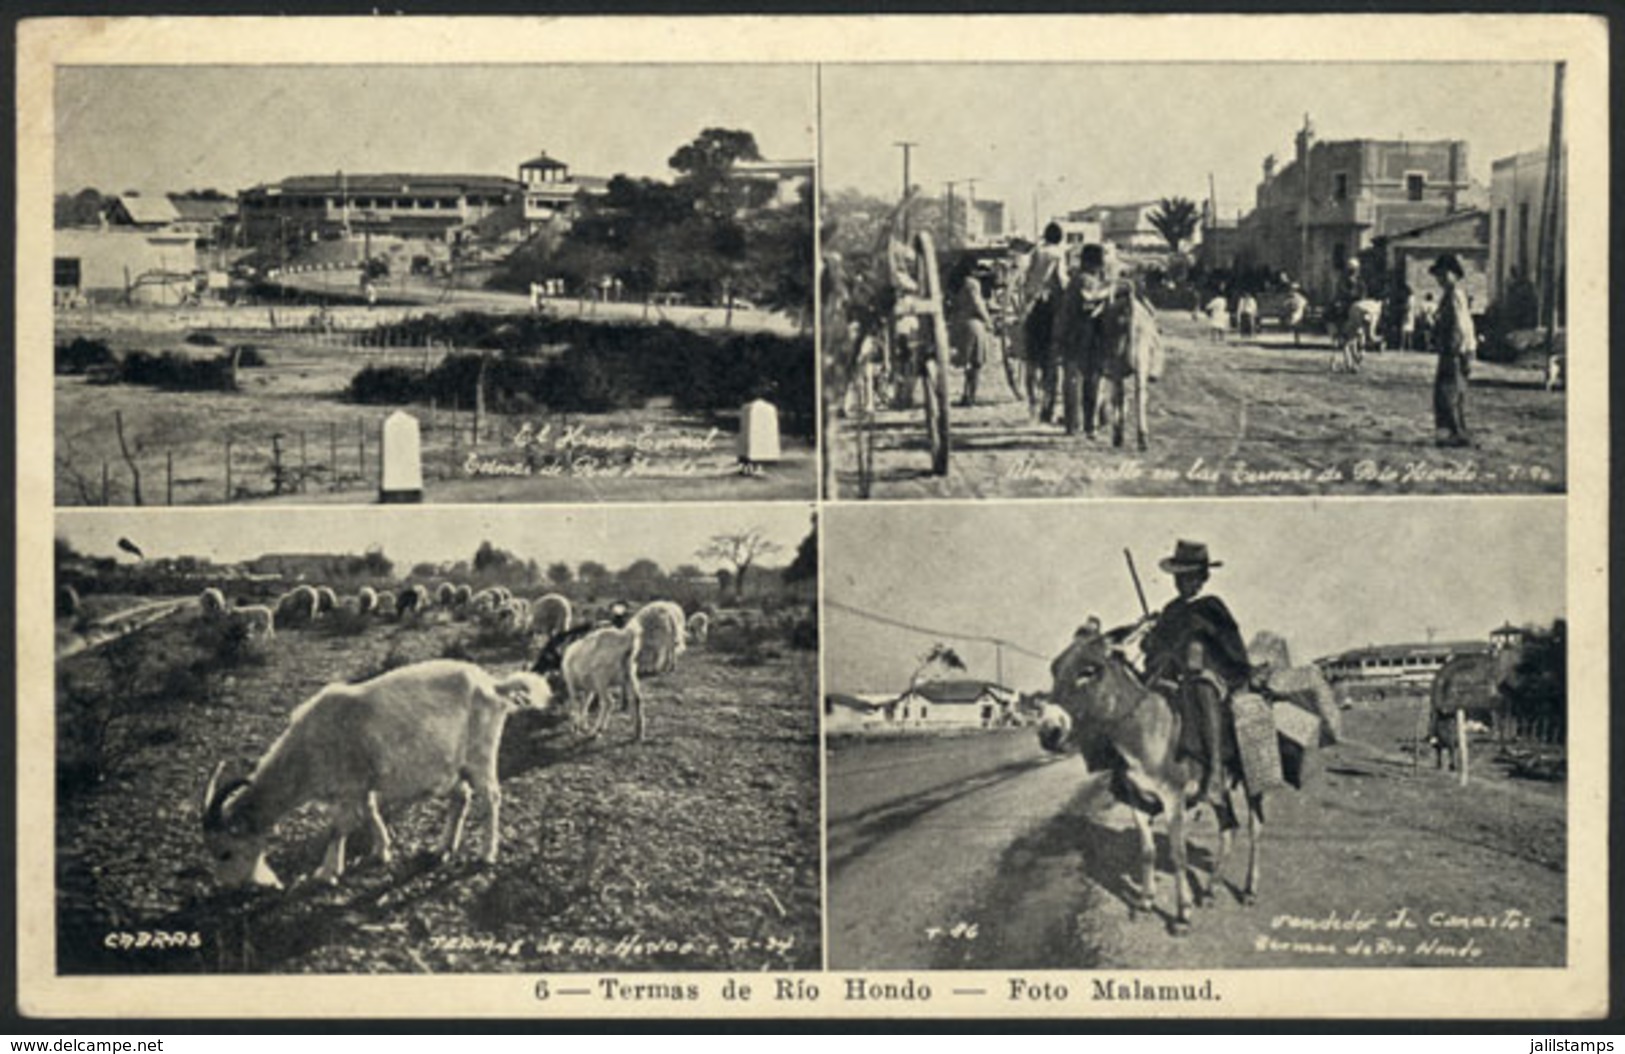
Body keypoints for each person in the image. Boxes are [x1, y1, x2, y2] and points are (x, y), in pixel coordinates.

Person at [1140, 540, 1252, 805]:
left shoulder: (1211, 606)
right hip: (1173, 675)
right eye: (1179, 578)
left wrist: (1205, 650)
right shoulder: (1171, 610)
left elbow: (1230, 644)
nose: (1183, 583)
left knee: (1202, 690)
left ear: (1201, 578)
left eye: (1189, 577)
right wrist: (1150, 639)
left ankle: (1213, 772)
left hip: (1210, 674)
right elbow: (1158, 646)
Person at [1052, 242, 1114, 436]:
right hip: (1097, 338)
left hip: (1075, 337)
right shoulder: (1103, 283)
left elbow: (1065, 313)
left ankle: (1072, 424)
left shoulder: (1076, 281)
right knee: (1094, 381)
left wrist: (1058, 338)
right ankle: (1091, 424)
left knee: (1072, 381)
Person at [1021, 222, 1069, 422]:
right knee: (1052, 361)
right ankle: (1047, 407)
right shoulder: (1058, 254)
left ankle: (1032, 402)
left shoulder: (1037, 252)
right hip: (1050, 310)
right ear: (1060, 238)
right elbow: (1061, 279)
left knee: (1031, 361)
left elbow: (1028, 277)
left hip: (1032, 307)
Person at [1429, 252, 1476, 447]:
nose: (1440, 279)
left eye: (1443, 274)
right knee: (1446, 391)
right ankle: (1450, 432)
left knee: (1450, 392)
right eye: (1438, 275)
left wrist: (1459, 350)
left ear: (1454, 274)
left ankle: (1456, 433)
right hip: (1452, 348)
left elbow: (1461, 324)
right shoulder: (1449, 295)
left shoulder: (1456, 295)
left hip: (1455, 349)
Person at [950, 261, 996, 408]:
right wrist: (988, 320)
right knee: (975, 363)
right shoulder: (971, 284)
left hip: (958, 321)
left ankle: (966, 395)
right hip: (973, 324)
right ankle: (971, 396)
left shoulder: (955, 283)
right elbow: (977, 303)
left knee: (967, 363)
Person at [1284, 283, 1309, 348]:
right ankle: (1297, 341)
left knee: (1296, 328)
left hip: (1296, 315)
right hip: (1297, 315)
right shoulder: (1300, 298)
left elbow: (1286, 306)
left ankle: (1297, 341)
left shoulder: (1292, 298)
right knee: (1297, 328)